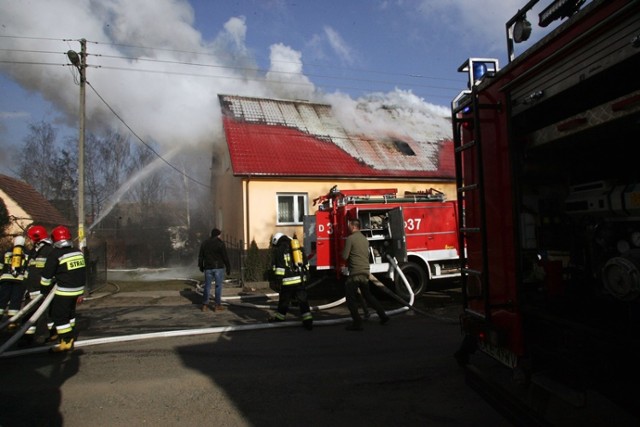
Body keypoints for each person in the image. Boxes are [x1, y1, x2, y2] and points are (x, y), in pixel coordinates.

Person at [40, 225, 86, 352]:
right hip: (77, 290)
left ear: (55, 239)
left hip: (64, 291)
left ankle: (65, 342)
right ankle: (70, 334)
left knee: (59, 316)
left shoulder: (55, 254)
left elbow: (46, 276)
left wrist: (44, 290)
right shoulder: (77, 252)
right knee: (70, 314)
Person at [342, 218, 389, 331]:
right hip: (365, 272)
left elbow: (345, 256)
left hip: (355, 273)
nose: (348, 227)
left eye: (349, 225)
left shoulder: (350, 239)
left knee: (350, 298)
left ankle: (357, 323)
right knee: (368, 295)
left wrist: (341, 252)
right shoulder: (364, 239)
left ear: (353, 226)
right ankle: (383, 315)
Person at [268, 233, 313, 330]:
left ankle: (280, 318)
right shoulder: (298, 248)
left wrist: (277, 281)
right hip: (300, 280)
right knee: (303, 301)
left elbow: (280, 268)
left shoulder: (279, 250)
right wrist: (306, 275)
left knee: (284, 301)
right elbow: (305, 263)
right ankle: (308, 321)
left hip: (287, 281)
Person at [23, 225, 55, 344]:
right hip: (32, 289)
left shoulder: (48, 250)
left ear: (36, 238)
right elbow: (31, 269)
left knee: (44, 314)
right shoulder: (35, 251)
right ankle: (27, 336)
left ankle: (44, 336)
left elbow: (51, 269)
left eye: (31, 238)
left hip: (42, 289)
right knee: (29, 313)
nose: (30, 240)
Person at [198, 228, 230, 312]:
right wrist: (228, 267)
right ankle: (217, 305)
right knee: (218, 286)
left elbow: (201, 256)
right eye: (220, 235)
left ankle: (204, 305)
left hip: (208, 268)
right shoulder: (220, 243)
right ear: (218, 235)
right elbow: (225, 256)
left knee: (207, 287)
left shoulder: (204, 243)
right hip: (218, 268)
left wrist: (201, 266)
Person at [0, 235, 29, 330]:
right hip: (19, 280)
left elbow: (0, 265)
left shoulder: (7, 252)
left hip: (5, 279)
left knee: (2, 299)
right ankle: (12, 322)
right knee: (15, 300)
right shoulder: (27, 252)